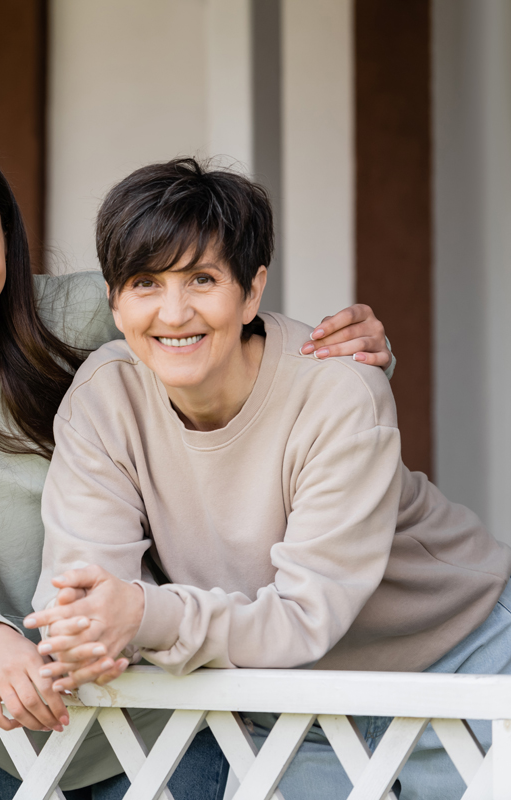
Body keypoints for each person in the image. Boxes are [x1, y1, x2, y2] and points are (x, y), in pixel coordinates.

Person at [0, 133, 394, 799]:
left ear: (7, 241)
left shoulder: (83, 315)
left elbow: (220, 333)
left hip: (160, 710)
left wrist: (361, 361)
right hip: (11, 726)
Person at [27, 158, 511, 800]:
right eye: (145, 283)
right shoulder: (103, 399)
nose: (174, 313)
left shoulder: (339, 390)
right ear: (114, 301)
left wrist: (141, 615)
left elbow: (306, 615)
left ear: (252, 291)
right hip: (285, 697)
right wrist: (89, 633)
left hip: (457, 655)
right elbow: (88, 593)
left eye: (201, 279)